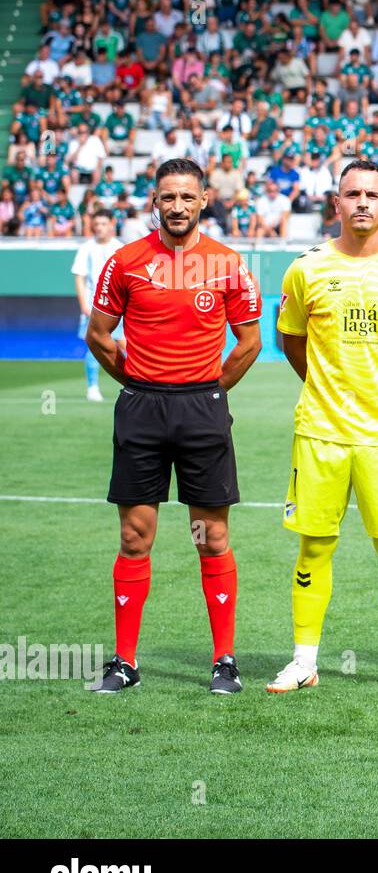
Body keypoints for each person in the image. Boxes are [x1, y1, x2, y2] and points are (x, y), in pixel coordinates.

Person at [84, 157, 262, 694]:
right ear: (154, 202)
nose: (178, 206)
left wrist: (208, 392)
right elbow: (99, 335)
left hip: (202, 411)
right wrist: (138, 382)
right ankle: (124, 662)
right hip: (141, 408)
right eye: (168, 197)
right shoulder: (126, 262)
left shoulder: (228, 264)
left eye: (187, 197)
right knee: (135, 537)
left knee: (211, 537)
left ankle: (224, 661)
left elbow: (249, 343)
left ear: (205, 199)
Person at [268, 160, 378, 696]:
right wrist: (322, 385)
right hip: (319, 433)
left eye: (373, 194)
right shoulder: (306, 269)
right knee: (314, 548)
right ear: (336, 204)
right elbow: (291, 340)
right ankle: (304, 660)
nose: (363, 202)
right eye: (352, 194)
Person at [73, 208, 124, 401]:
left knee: (125, 344)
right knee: (93, 345)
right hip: (93, 308)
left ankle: (135, 382)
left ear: (112, 224)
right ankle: (92, 387)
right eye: (96, 224)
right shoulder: (86, 248)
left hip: (117, 308)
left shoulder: (120, 248)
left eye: (103, 224)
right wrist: (84, 305)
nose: (99, 228)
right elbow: (80, 277)